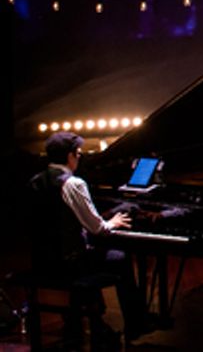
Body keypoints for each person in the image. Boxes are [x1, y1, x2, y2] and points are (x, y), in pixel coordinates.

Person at [30, 131, 151, 344]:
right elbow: (98, 229)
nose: (79, 158)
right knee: (119, 257)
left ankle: (80, 322)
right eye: (78, 153)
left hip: (44, 261)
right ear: (70, 156)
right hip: (69, 263)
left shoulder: (36, 181)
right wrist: (111, 222)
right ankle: (136, 323)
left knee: (92, 253)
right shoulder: (73, 183)